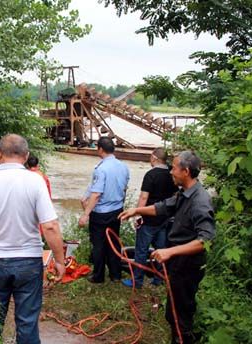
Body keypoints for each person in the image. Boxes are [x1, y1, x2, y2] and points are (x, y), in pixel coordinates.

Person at [0, 134, 65, 344]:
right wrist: (60, 260)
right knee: (27, 323)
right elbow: (50, 225)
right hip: (29, 262)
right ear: (26, 156)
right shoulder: (36, 181)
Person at [118, 151, 215, 344]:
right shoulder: (185, 193)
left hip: (187, 266)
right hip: (178, 262)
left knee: (180, 314)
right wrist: (136, 210)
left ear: (186, 171)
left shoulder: (199, 201)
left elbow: (206, 239)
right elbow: (162, 207)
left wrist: (169, 251)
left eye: (174, 167)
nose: (170, 171)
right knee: (173, 311)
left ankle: (184, 339)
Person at [122, 147, 178, 288]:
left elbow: (144, 197)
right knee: (161, 250)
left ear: (154, 158)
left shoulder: (151, 175)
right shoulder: (172, 174)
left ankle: (137, 281)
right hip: (164, 218)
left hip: (149, 219)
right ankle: (159, 279)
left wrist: (137, 215)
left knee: (141, 250)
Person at [79, 137, 130, 283]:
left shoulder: (101, 169)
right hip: (117, 210)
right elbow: (124, 189)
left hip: (101, 213)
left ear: (100, 149)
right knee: (114, 242)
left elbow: (96, 194)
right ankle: (116, 274)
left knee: (99, 244)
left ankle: (98, 276)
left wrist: (85, 214)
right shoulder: (123, 166)